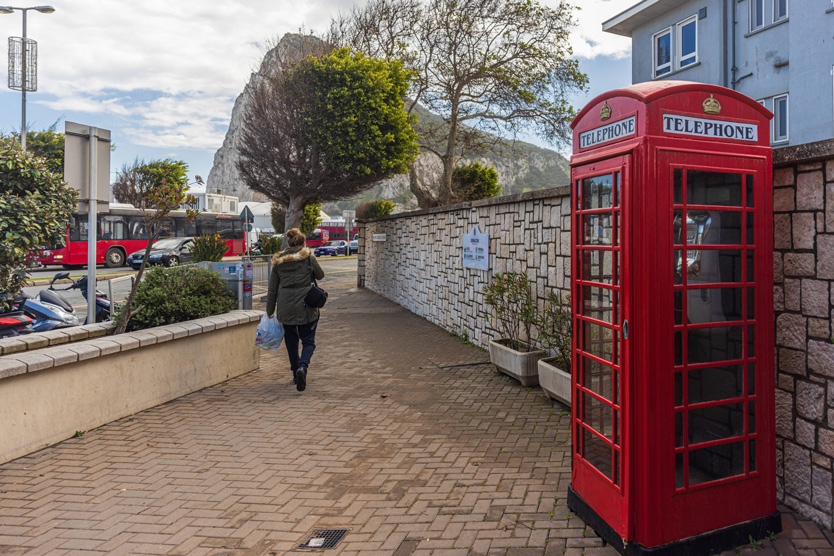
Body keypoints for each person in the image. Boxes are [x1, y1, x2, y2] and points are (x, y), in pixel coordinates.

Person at [266, 228, 325, 392]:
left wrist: (269, 311)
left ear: (288, 243)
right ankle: (303, 367)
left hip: (285, 307)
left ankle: (295, 372)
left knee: (291, 342)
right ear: (303, 243)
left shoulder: (278, 261)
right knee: (308, 341)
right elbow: (320, 275)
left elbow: (272, 289)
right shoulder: (308, 258)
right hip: (306, 306)